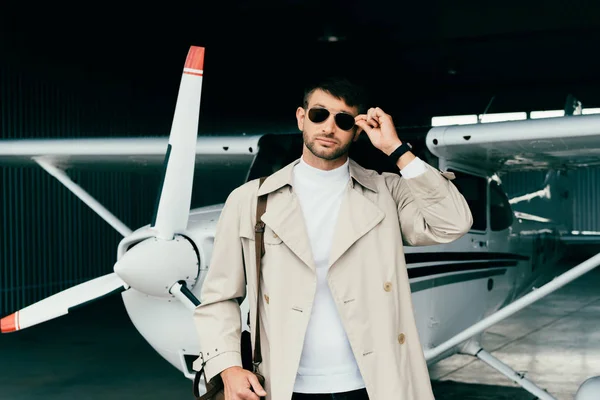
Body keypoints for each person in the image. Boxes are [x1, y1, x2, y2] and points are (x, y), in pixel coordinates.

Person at [193, 77, 473, 400]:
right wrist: (228, 368)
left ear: (357, 132)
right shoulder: (250, 201)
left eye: (343, 120)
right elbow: (219, 297)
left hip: (372, 385)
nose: (329, 127)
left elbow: (453, 222)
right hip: (284, 385)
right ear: (301, 118)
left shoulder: (387, 192)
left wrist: (397, 151)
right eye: (319, 115)